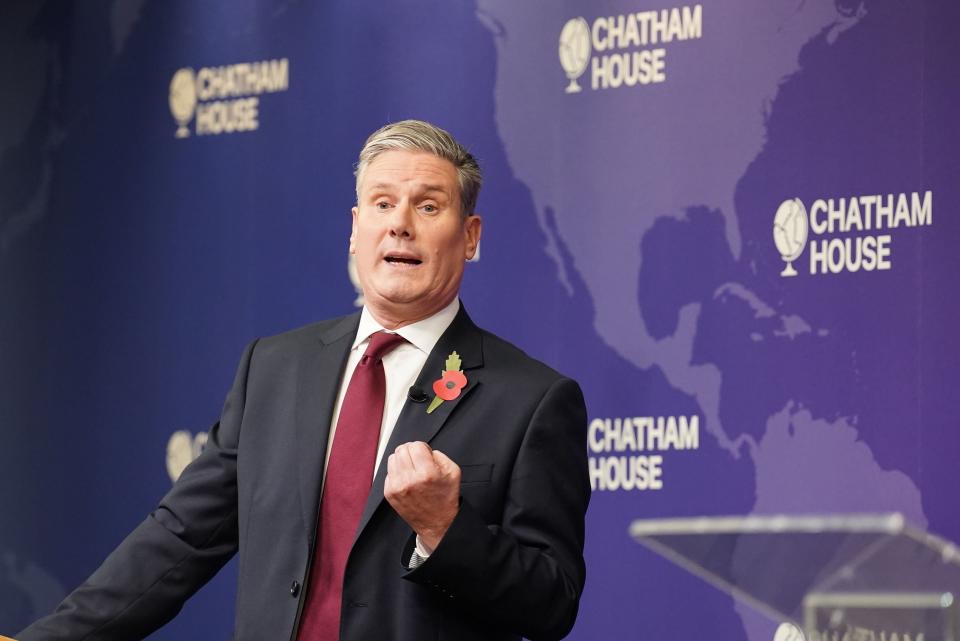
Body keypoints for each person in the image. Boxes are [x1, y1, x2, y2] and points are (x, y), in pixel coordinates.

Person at [19, 120, 589, 641]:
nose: (400, 224)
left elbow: (550, 604)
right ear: (355, 227)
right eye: (382, 203)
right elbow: (181, 539)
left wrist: (445, 527)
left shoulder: (532, 401)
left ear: (469, 236)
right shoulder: (274, 368)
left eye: (428, 206)